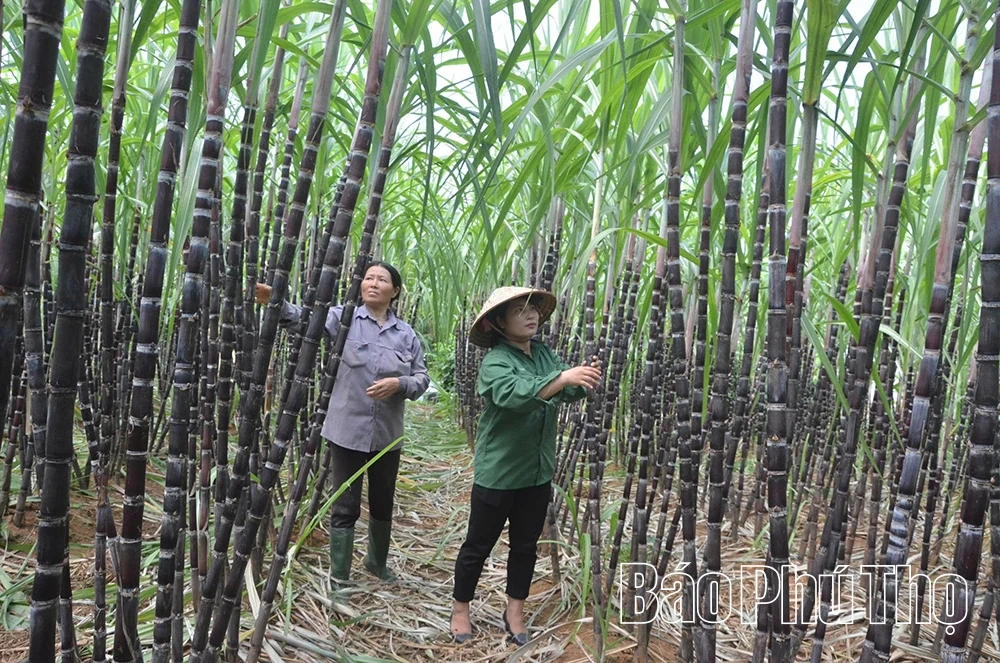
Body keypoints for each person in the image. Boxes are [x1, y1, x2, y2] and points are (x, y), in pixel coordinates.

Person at [256, 261, 429, 583]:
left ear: (395, 291)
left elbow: (421, 378)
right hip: (347, 430)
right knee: (345, 505)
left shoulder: (406, 334)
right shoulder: (343, 318)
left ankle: (377, 563)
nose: (373, 284)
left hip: (387, 435)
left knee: (382, 501)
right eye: (369, 278)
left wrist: (399, 384)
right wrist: (274, 300)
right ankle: (340, 577)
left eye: (382, 280)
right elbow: (304, 322)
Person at [449, 287, 602, 645]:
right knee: (478, 544)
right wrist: (562, 378)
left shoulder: (544, 354)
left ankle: (514, 610)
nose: (531, 314)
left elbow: (563, 389)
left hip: (537, 472)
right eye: (519, 310)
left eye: (533, 308)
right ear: (498, 323)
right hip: (499, 471)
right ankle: (460, 608)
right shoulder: (496, 362)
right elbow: (514, 395)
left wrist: (581, 377)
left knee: (525, 545)